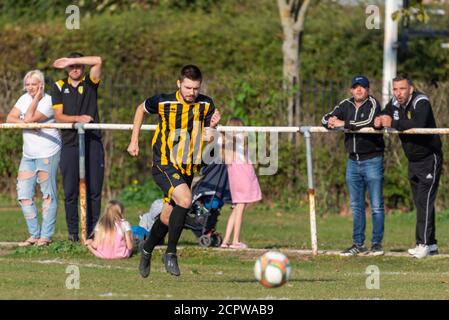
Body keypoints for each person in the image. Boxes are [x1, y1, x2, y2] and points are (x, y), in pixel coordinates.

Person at [127, 65, 220, 277]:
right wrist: (134, 140)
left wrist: (214, 127)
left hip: (188, 167)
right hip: (164, 162)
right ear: (179, 84)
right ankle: (170, 253)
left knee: (168, 217)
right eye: (188, 87)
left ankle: (147, 248)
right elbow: (140, 109)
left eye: (196, 88)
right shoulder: (164, 102)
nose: (192, 93)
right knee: (186, 200)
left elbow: (209, 139)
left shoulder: (206, 105)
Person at [380, 75, 443, 259]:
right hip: (413, 161)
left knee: (424, 201)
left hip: (429, 158)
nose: (398, 93)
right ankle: (431, 244)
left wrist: (393, 123)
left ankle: (422, 244)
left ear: (411, 89)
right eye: (395, 89)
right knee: (420, 202)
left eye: (402, 89)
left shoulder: (421, 101)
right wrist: (380, 119)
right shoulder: (395, 102)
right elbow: (385, 113)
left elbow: (419, 124)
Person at [321, 75, 385, 256]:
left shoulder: (373, 104)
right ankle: (358, 244)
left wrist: (344, 124)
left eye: (362, 87)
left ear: (368, 89)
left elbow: (369, 122)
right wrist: (331, 122)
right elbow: (325, 118)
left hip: (372, 160)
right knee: (356, 206)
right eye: (355, 87)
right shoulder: (345, 104)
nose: (359, 90)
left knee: (377, 205)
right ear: (351, 90)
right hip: (352, 161)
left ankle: (376, 244)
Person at [51, 52, 104, 243]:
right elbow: (58, 116)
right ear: (66, 69)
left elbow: (98, 61)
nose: (75, 69)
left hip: (93, 142)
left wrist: (73, 60)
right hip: (70, 143)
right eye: (71, 66)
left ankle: (92, 233)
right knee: (71, 190)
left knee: (94, 190)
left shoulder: (89, 83)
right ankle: (74, 234)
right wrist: (78, 119)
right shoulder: (58, 86)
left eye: (78, 66)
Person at [6, 70, 61, 247]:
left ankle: (45, 236)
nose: (30, 88)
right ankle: (33, 234)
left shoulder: (48, 100)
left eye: (34, 84)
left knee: (48, 195)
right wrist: (26, 124)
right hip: (28, 155)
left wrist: (36, 100)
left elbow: (29, 117)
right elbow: (10, 118)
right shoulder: (23, 99)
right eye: (28, 84)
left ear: (41, 85)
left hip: (47, 153)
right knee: (23, 195)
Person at [220, 117, 262, 249]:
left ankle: (225, 241)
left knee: (238, 207)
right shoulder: (237, 141)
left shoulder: (226, 142)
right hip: (242, 176)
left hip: (235, 177)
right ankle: (236, 241)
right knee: (240, 207)